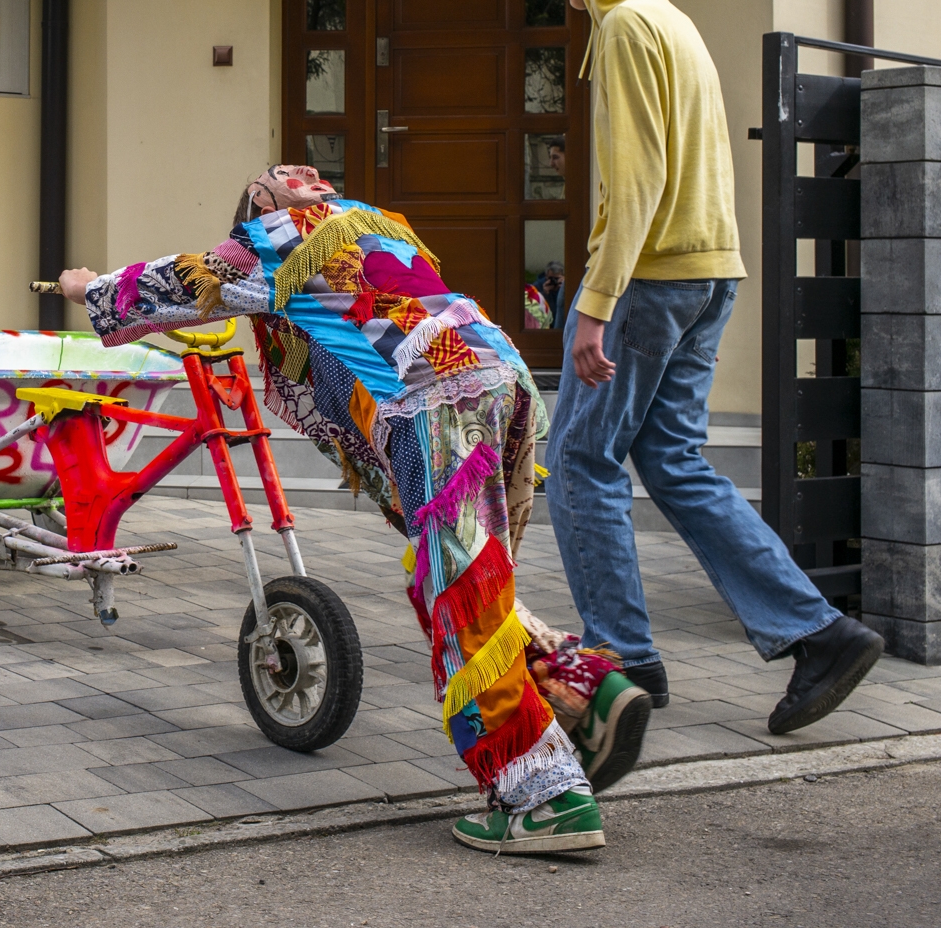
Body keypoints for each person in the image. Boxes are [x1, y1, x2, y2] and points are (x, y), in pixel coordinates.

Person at [58, 166, 650, 854]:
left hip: (437, 392)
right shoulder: (375, 224)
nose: (301, 173)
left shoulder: (285, 233)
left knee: (460, 596)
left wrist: (88, 289)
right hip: (496, 375)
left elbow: (185, 282)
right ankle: (584, 689)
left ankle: (542, 796)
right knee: (468, 578)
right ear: (262, 201)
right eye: (278, 177)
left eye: (302, 175)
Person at [542, 0, 884, 734]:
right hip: (709, 272)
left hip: (650, 280)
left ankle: (621, 657)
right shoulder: (676, 23)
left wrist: (595, 303)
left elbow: (637, 179)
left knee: (581, 459)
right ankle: (820, 632)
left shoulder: (622, 28)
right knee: (675, 461)